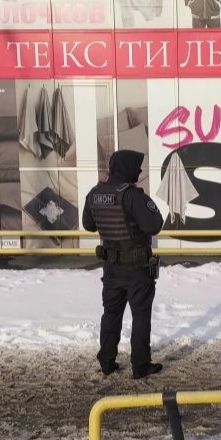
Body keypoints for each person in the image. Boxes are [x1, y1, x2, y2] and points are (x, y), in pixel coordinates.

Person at [82, 150, 165, 379]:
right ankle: (140, 365)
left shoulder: (95, 193)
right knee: (141, 317)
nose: (139, 170)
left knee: (111, 315)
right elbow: (154, 225)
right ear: (127, 168)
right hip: (137, 270)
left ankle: (107, 361)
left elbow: (88, 225)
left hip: (111, 270)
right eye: (137, 166)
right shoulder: (131, 195)